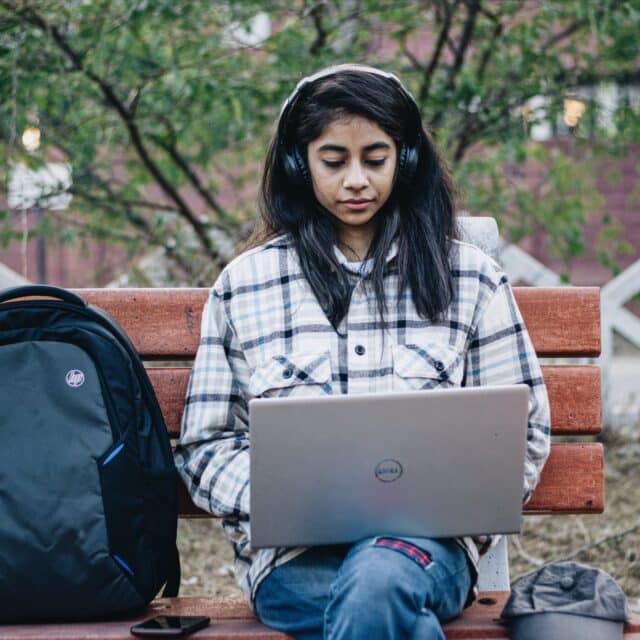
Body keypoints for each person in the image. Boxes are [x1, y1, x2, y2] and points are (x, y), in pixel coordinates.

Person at [174, 64, 551, 640]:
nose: (356, 180)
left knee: (380, 577)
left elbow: (523, 432)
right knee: (377, 598)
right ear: (300, 164)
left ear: (406, 160)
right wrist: (281, 497)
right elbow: (206, 444)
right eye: (334, 160)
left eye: (375, 159)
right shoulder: (245, 285)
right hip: (294, 564)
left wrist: (456, 505)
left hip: (428, 554)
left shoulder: (471, 279)